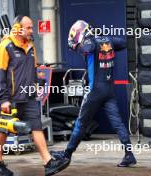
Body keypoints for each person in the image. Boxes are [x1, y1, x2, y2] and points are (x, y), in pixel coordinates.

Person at [51, 20, 137, 167]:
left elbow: (87, 48)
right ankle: (129, 154)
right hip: (109, 91)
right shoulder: (107, 40)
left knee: (80, 123)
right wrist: (105, 39)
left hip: (94, 91)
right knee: (118, 124)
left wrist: (75, 45)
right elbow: (122, 43)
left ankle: (67, 154)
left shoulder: (90, 42)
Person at [0, 15, 70, 176]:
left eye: (31, 27)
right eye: (28, 27)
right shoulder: (5, 47)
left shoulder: (30, 46)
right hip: (11, 99)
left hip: (29, 97)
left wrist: (38, 83)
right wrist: (3, 99)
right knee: (3, 131)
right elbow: (0, 75)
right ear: (18, 28)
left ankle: (48, 162)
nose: (31, 30)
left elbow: (33, 69)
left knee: (36, 126)